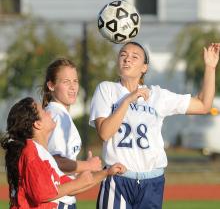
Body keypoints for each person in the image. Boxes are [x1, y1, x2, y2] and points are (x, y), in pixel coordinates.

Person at [89, 41, 220, 209]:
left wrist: (210, 67)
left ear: (144, 68)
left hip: (152, 182)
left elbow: (203, 105)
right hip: (119, 180)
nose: (127, 59)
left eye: (134, 57)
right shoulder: (106, 89)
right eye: (123, 55)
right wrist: (128, 99)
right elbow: (105, 133)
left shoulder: (157, 95)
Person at [0, 97, 126, 209]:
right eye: (44, 112)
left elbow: (70, 188)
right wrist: (78, 182)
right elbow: (42, 194)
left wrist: (106, 173)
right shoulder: (30, 152)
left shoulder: (40, 153)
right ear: (37, 124)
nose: (49, 113)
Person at [41, 58, 103, 208]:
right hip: (58, 202)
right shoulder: (56, 116)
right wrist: (87, 165)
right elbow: (57, 162)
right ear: (51, 85)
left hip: (64, 199)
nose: (73, 87)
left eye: (75, 81)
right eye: (66, 82)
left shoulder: (60, 114)